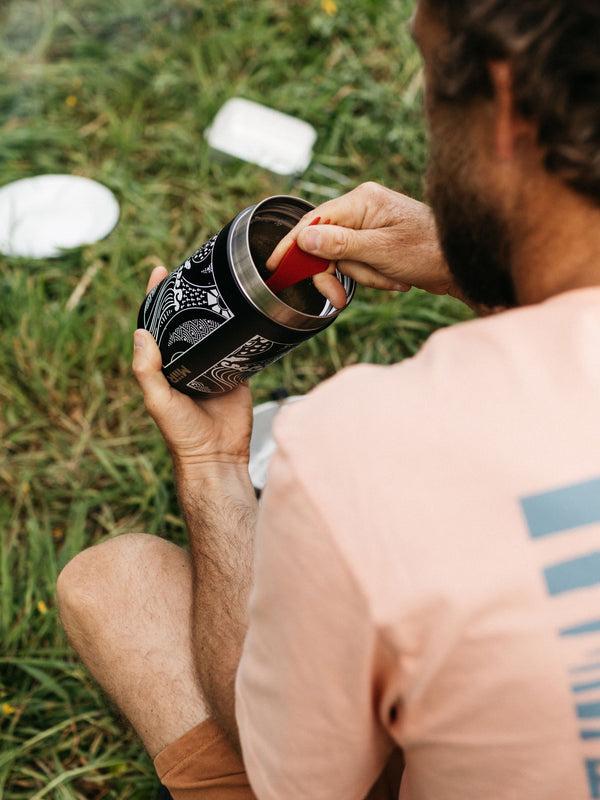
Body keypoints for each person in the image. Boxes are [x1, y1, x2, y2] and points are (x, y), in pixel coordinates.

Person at [56, 1, 600, 798]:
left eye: (433, 85)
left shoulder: (358, 448)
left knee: (111, 585)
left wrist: (212, 465)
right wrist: (472, 264)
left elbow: (292, 775)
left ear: (507, 109)